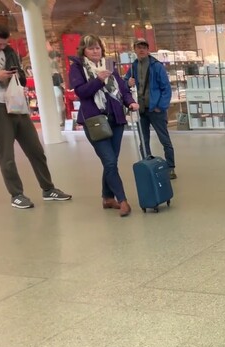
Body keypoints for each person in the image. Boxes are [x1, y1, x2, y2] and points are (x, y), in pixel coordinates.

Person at [0, 25, 72, 209]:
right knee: (7, 156)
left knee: (36, 150)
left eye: (4, 44)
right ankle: (17, 194)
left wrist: (17, 76)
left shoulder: (10, 52)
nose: (0, 47)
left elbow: (21, 75)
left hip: (17, 105)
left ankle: (48, 188)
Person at [69, 34, 139, 217]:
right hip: (95, 121)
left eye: (97, 47)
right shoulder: (77, 68)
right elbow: (81, 92)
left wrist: (130, 102)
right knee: (109, 161)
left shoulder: (109, 65)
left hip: (115, 119)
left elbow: (122, 89)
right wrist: (98, 80)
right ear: (83, 50)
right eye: (91, 48)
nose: (95, 51)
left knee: (111, 162)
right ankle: (122, 200)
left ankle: (107, 198)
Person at [124, 38, 177, 180]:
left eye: (144, 47)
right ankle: (147, 165)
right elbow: (124, 84)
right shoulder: (133, 67)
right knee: (143, 140)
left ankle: (171, 167)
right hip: (141, 111)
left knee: (164, 139)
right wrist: (128, 83)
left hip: (156, 110)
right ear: (134, 49)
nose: (141, 50)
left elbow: (166, 88)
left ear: (148, 50)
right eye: (138, 47)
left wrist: (161, 106)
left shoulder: (157, 66)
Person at [49, 50, 66, 126]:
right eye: (58, 57)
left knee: (59, 105)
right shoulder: (54, 66)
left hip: (55, 88)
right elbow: (58, 79)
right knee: (59, 105)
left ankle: (60, 120)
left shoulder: (51, 66)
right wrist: (64, 86)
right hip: (56, 88)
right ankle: (60, 121)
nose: (59, 59)